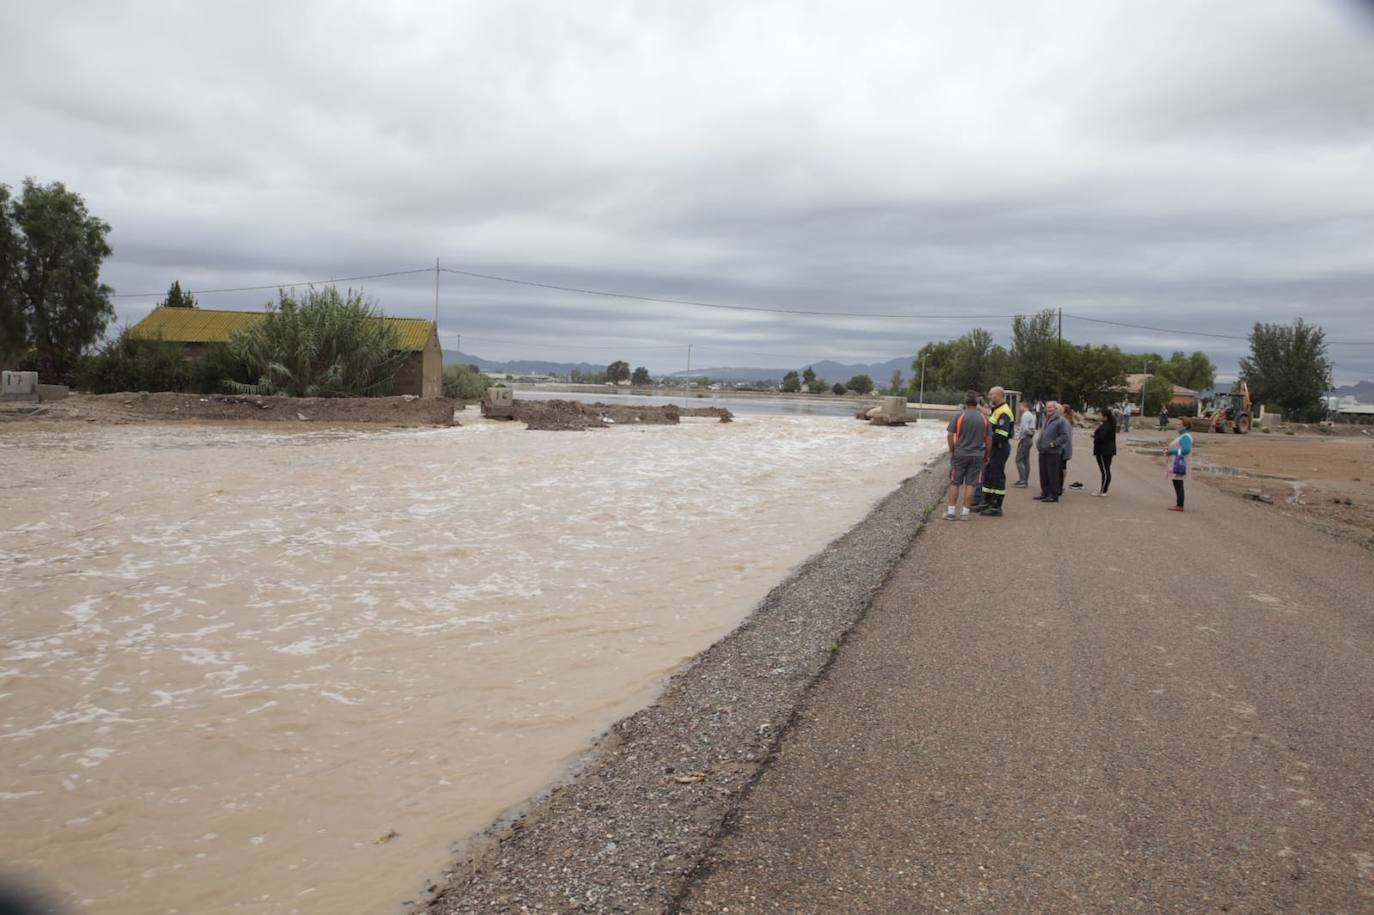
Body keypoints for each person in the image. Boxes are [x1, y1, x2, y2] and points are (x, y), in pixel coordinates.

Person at [945, 391, 990, 521]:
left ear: (965, 402)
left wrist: (952, 449)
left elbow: (950, 434)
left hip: (960, 453)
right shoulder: (984, 418)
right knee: (971, 484)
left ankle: (951, 512)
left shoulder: (959, 416)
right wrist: (987, 454)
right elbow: (988, 439)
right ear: (977, 403)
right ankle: (965, 513)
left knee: (955, 482)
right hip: (977, 454)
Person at [973, 386, 1015, 516]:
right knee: (989, 474)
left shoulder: (1004, 412)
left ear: (999, 396)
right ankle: (986, 502)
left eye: (991, 395)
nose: (989, 397)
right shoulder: (996, 410)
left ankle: (996, 506)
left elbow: (1002, 435)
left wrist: (987, 439)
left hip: (1000, 447)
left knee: (997, 476)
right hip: (994, 447)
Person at [1035, 400, 1070, 502]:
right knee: (1043, 474)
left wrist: (1054, 443)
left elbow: (1064, 436)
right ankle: (1045, 492)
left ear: (1056, 409)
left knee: (1052, 474)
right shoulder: (1046, 419)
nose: (1048, 409)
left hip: (1053, 452)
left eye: (1051, 408)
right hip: (1043, 451)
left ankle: (1053, 495)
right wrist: (1039, 444)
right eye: (1047, 407)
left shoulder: (1061, 421)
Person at [1165, 416, 1193, 511]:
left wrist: (1172, 452)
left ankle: (1180, 505)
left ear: (1185, 426)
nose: (1176, 425)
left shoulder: (1185, 437)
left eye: (1179, 424)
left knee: (1178, 483)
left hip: (1179, 465)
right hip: (1178, 464)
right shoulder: (1183, 436)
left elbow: (1186, 450)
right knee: (1177, 483)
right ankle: (1179, 504)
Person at [1092, 406, 1117, 496]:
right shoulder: (1106, 424)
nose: (1099, 416)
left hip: (1104, 451)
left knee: (1105, 471)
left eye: (1100, 415)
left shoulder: (1107, 425)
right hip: (1105, 450)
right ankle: (1103, 489)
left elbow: (1102, 437)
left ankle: (1103, 490)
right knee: (1105, 470)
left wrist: (1095, 436)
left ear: (1105, 416)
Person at [1013, 398, 1036, 487]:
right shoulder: (1030, 415)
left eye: (1020, 405)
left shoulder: (1025, 415)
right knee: (1026, 460)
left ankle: (1022, 480)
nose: (1019, 407)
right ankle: (1025, 480)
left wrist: (1019, 436)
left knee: (1018, 460)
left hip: (1025, 439)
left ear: (1023, 405)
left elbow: (1025, 429)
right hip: (1029, 439)